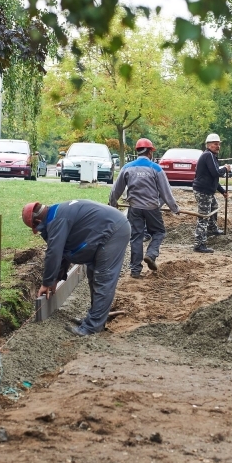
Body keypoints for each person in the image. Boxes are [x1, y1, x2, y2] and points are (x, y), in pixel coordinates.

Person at [22, 199, 131, 336]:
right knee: (94, 275)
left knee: (103, 278)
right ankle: (96, 320)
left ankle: (92, 327)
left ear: (38, 221)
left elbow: (54, 252)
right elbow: (63, 251)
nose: (39, 232)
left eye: (37, 228)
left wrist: (47, 282)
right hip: (107, 228)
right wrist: (56, 278)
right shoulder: (56, 214)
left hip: (114, 230)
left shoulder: (57, 220)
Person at [109, 137, 180, 278]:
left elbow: (116, 189)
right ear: (150, 152)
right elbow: (166, 192)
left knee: (136, 237)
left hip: (134, 208)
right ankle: (151, 254)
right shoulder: (156, 168)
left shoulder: (127, 168)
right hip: (152, 208)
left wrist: (113, 203)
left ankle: (135, 271)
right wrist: (174, 208)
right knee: (159, 232)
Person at [192, 133, 230, 253]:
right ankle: (199, 244)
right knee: (204, 216)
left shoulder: (211, 156)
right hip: (203, 191)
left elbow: (213, 178)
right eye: (215, 144)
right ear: (208, 145)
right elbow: (216, 173)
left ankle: (212, 229)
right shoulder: (208, 155)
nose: (218, 146)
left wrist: (222, 191)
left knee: (214, 206)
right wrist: (225, 169)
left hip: (207, 190)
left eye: (219, 144)